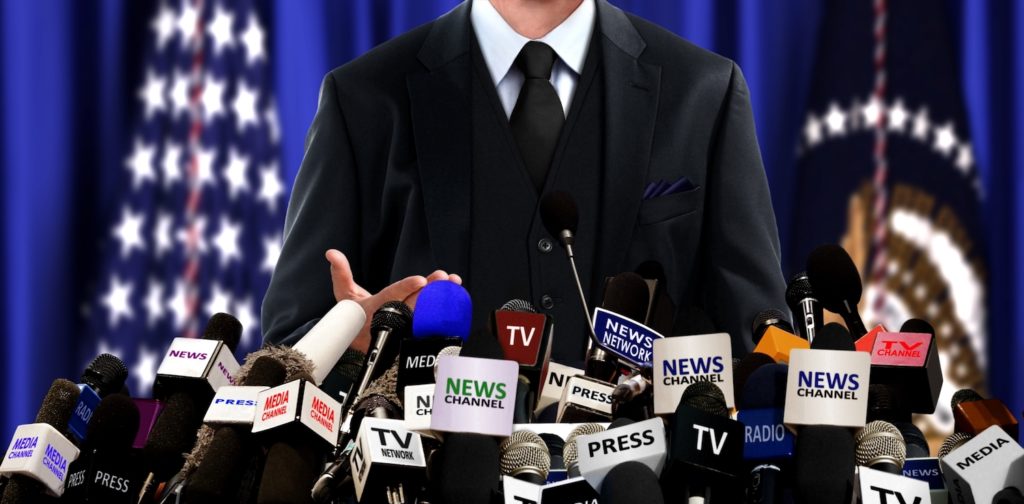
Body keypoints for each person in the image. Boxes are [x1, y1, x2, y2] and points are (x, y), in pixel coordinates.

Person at [262, 0, 787, 364]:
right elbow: (288, 347)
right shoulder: (362, 100)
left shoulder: (705, 93)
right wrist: (353, 351)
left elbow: (757, 341)